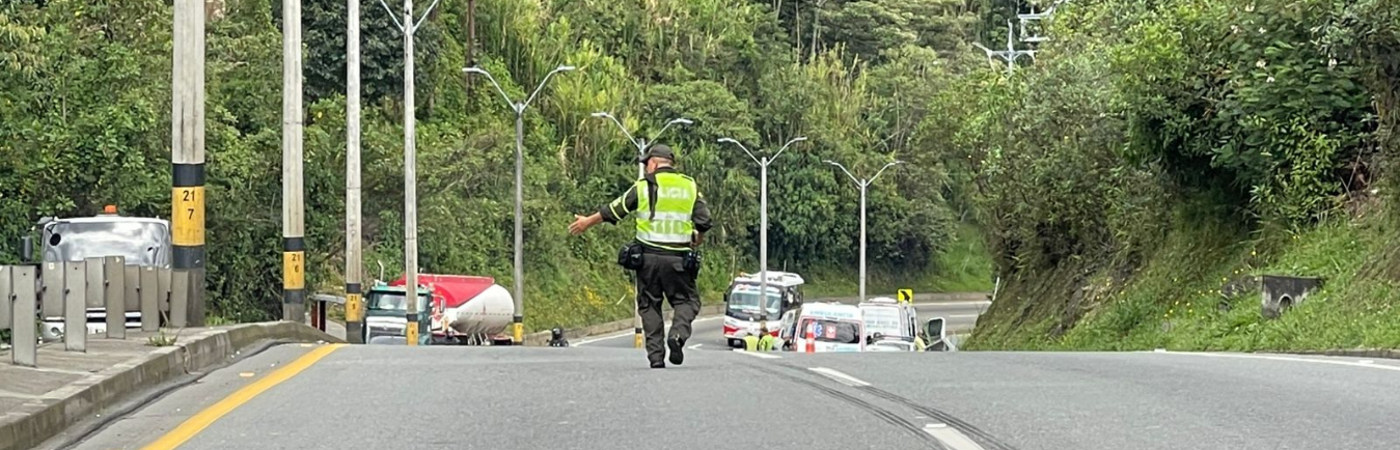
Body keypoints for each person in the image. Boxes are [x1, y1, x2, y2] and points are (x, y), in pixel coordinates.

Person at [569, 144, 712, 368]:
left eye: (647, 164)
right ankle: (677, 335)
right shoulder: (689, 185)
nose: (646, 168)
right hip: (678, 259)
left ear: (654, 162)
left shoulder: (643, 186)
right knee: (687, 301)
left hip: (648, 259)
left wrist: (587, 221)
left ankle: (656, 358)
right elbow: (704, 221)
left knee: (649, 306)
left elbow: (614, 209)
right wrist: (698, 239)